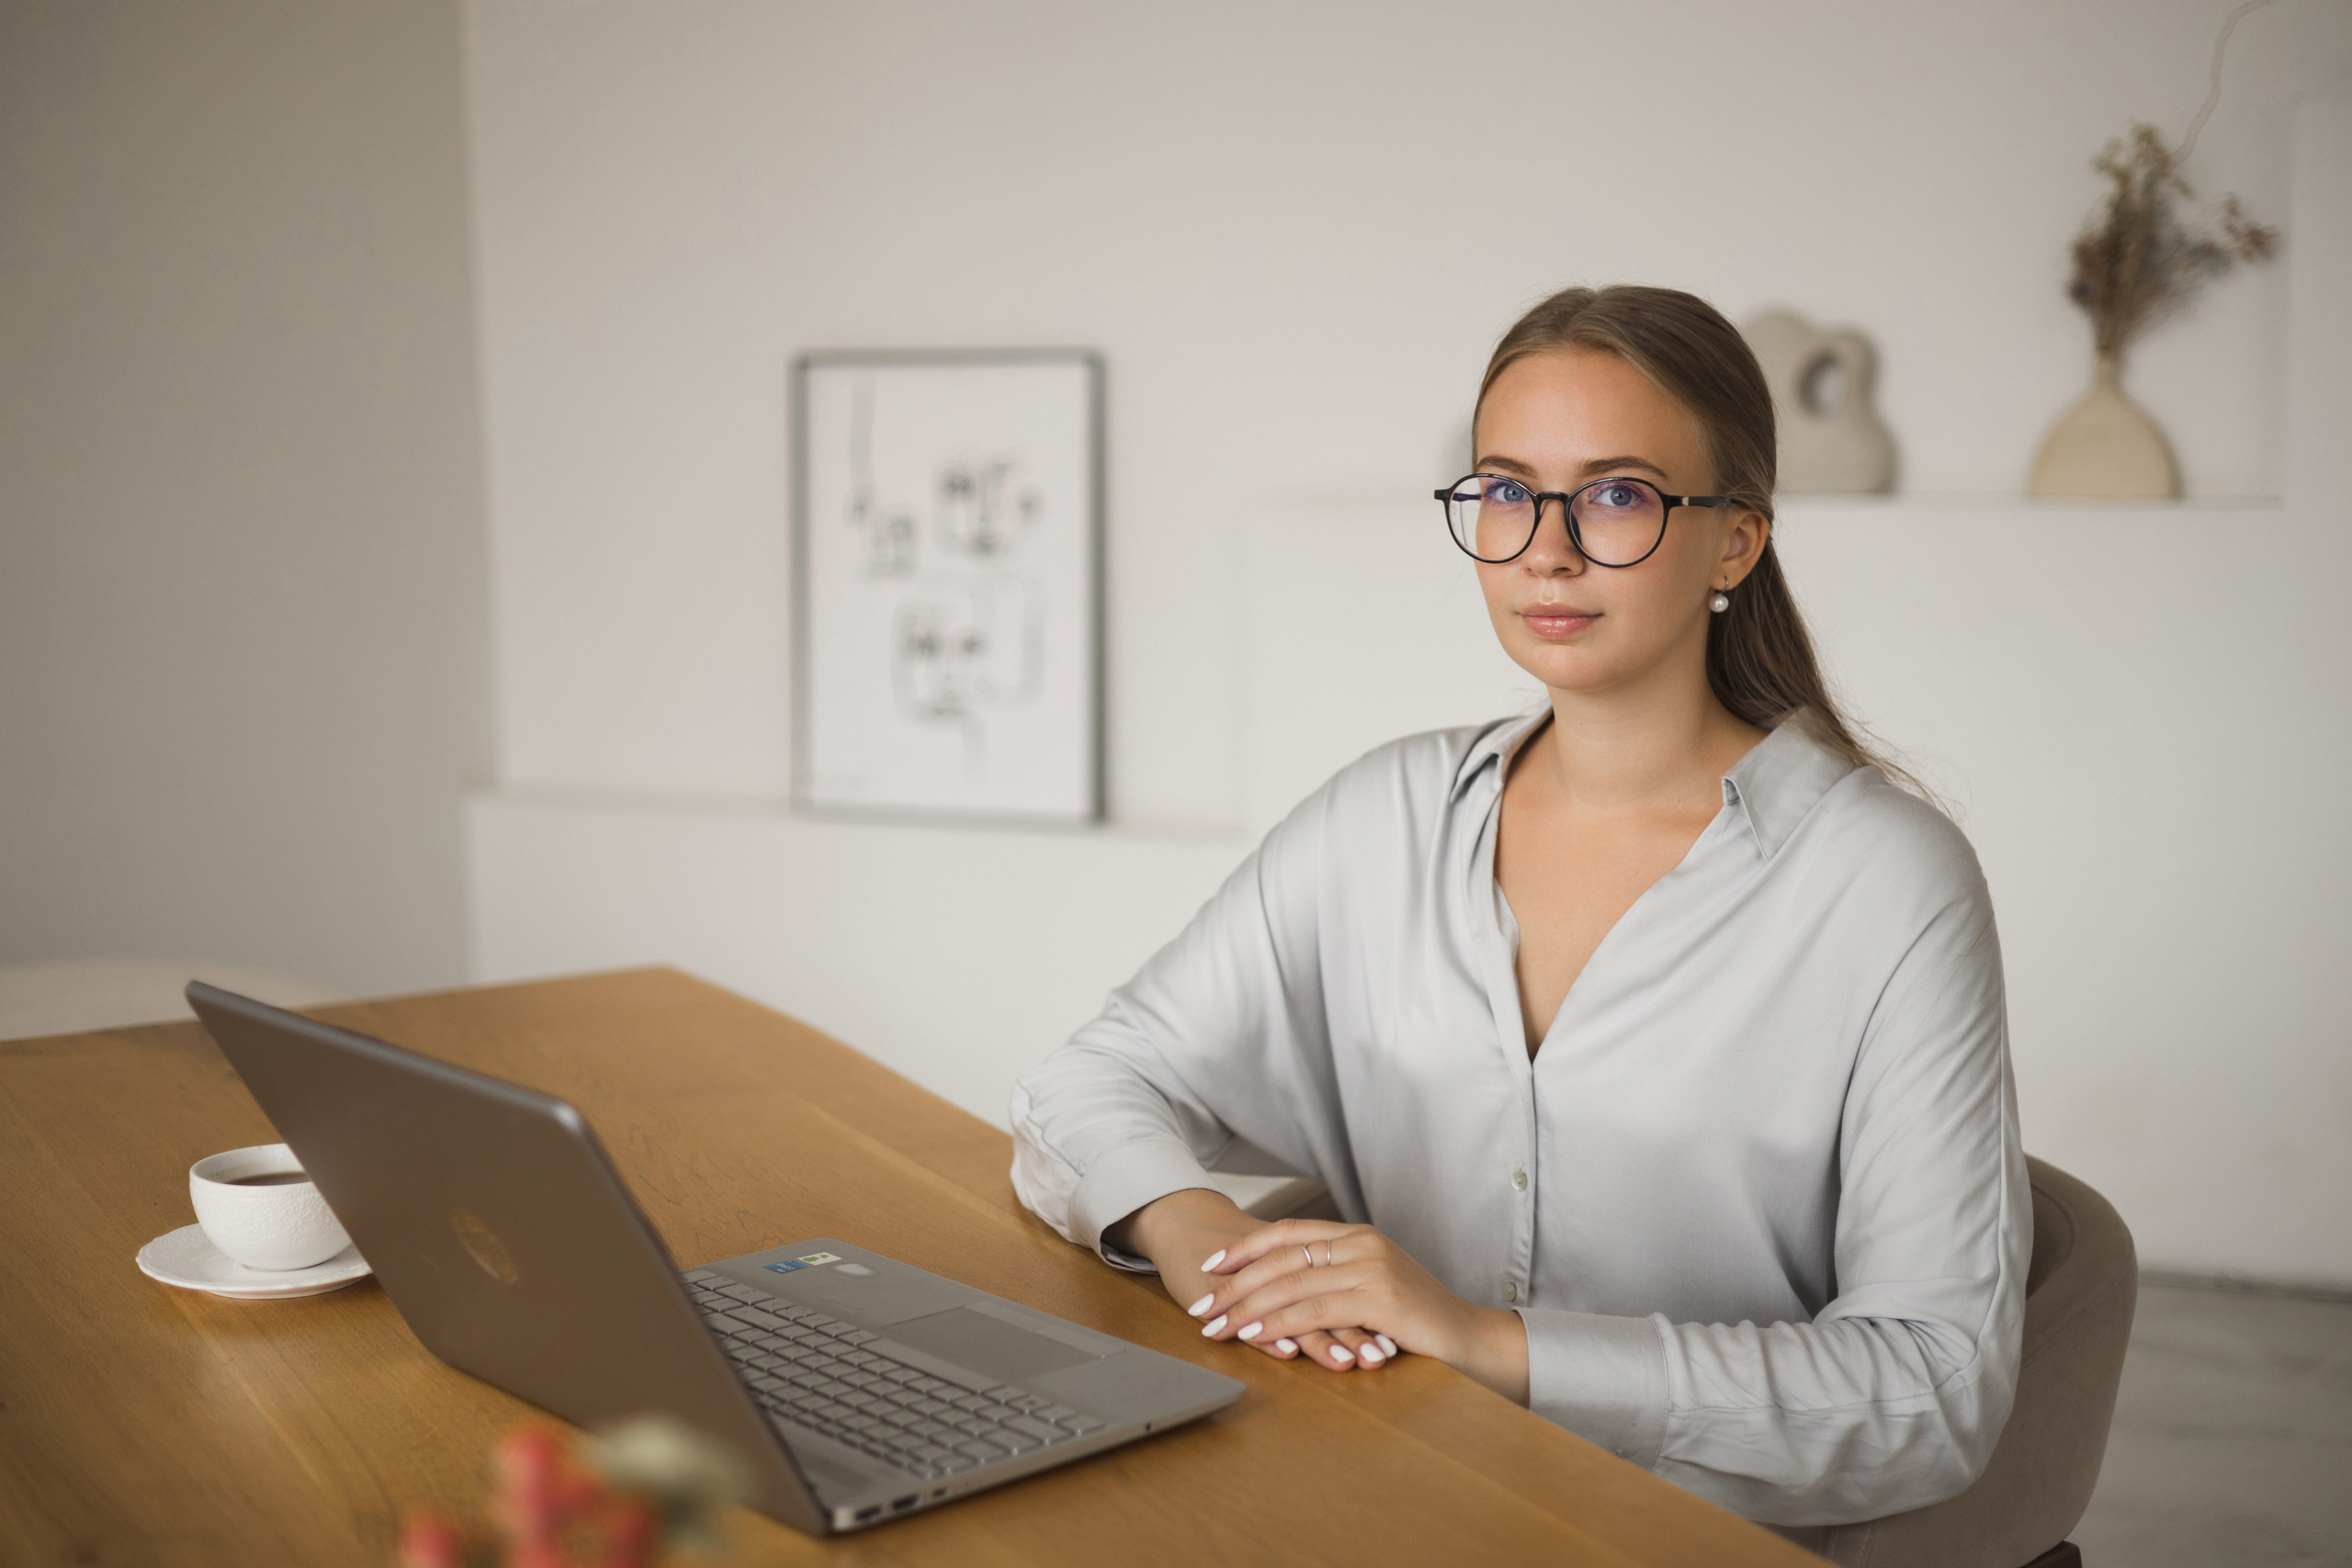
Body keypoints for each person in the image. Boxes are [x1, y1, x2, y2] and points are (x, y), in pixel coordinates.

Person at [1008, 285, 2028, 1531]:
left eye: (1616, 494)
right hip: (1377, 1489)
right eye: (1504, 490)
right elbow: (1090, 1080)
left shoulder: (1886, 882)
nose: (1546, 547)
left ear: (1735, 543)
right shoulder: (1379, 819)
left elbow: (1934, 1392)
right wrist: (1211, 1246)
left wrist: (1482, 1341)